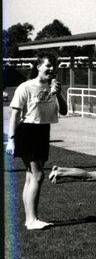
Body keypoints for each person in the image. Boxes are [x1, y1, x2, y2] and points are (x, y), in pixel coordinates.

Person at [5, 54, 69, 228]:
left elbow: (64, 111)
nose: (51, 69)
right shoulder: (26, 87)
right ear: (38, 66)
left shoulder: (53, 87)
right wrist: (11, 139)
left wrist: (58, 94)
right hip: (28, 130)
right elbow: (15, 114)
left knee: (30, 177)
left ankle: (29, 219)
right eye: (48, 65)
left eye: (54, 66)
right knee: (38, 175)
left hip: (42, 130)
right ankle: (32, 220)